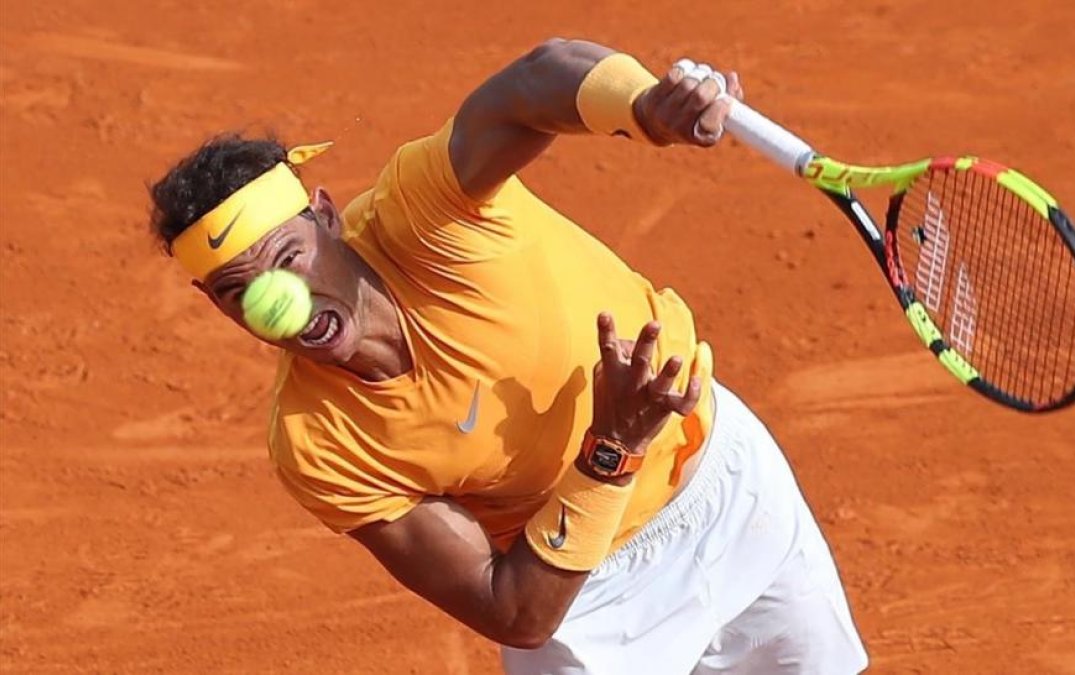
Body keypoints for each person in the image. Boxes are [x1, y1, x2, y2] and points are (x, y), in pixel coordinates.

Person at [147, 39, 868, 674]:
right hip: (590, 600)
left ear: (329, 217)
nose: (283, 302)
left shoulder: (426, 213)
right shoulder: (319, 443)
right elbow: (514, 610)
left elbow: (536, 80)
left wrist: (645, 105)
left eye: (288, 259)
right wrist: (611, 448)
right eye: (239, 293)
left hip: (726, 480)